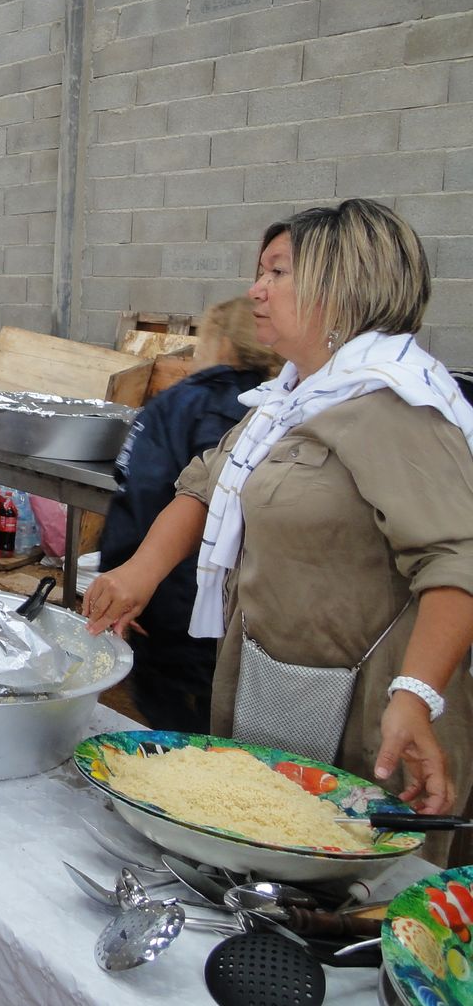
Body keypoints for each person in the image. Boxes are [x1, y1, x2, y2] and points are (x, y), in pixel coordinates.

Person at [85, 199, 473, 837]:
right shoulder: (289, 400)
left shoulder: (397, 408)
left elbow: (456, 559)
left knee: (342, 869)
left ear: (342, 286)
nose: (256, 290)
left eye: (277, 272)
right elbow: (208, 484)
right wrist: (138, 575)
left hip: (370, 715)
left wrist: (416, 694)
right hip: (277, 687)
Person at [97, 298, 281, 734]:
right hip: (249, 611)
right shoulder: (277, 408)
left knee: (172, 713)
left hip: (173, 605)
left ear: (219, 343)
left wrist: (123, 575)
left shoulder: (176, 406)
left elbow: (139, 496)